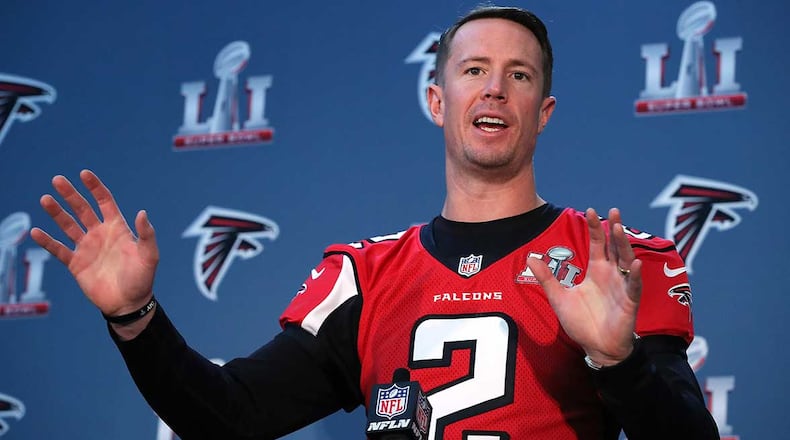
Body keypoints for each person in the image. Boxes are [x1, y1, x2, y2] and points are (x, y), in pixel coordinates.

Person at [31, 5, 720, 440]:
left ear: (543, 112)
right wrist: (134, 317)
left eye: (519, 75)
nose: (493, 88)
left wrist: (618, 360)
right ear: (435, 100)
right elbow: (229, 418)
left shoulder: (612, 262)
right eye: (474, 69)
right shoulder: (364, 277)